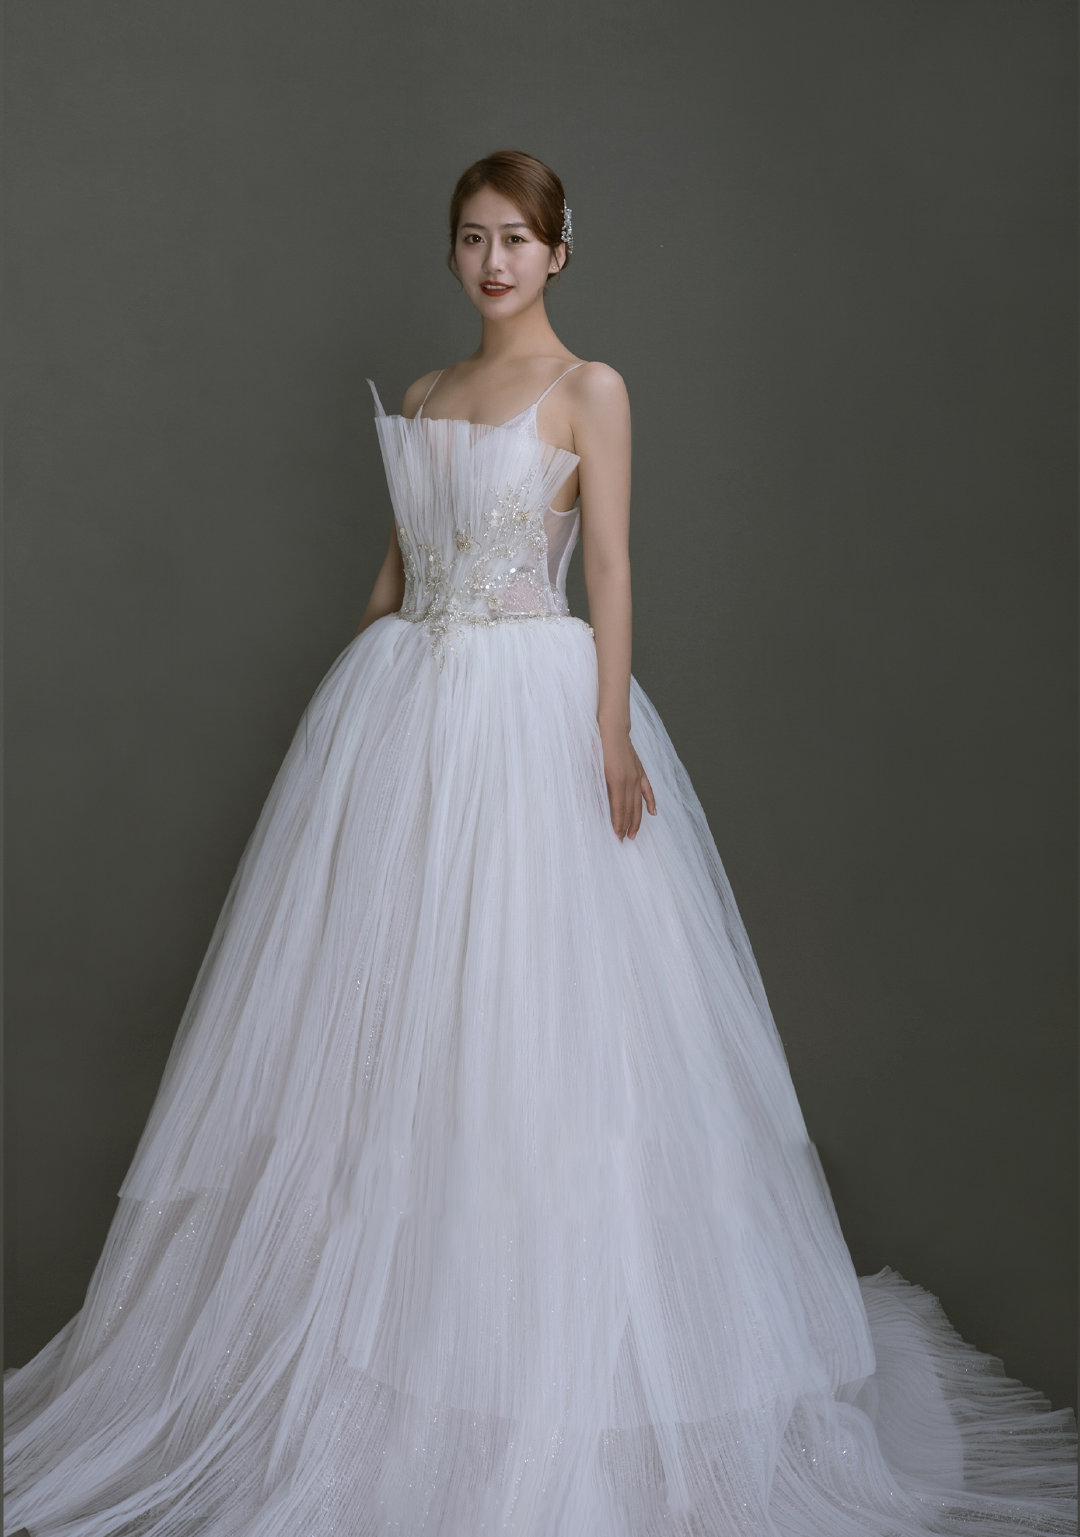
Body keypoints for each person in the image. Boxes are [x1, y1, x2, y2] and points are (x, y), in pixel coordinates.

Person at [3, 148, 1075, 1537]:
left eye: (517, 237)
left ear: (560, 252)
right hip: (406, 710)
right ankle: (369, 1355)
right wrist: (342, 721)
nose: (494, 260)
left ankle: (542, 1363)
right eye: (473, 237)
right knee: (391, 1030)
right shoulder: (429, 393)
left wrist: (611, 732)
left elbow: (611, 565)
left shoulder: (590, 389)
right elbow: (400, 568)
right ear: (453, 251)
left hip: (532, 713)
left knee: (541, 1024)